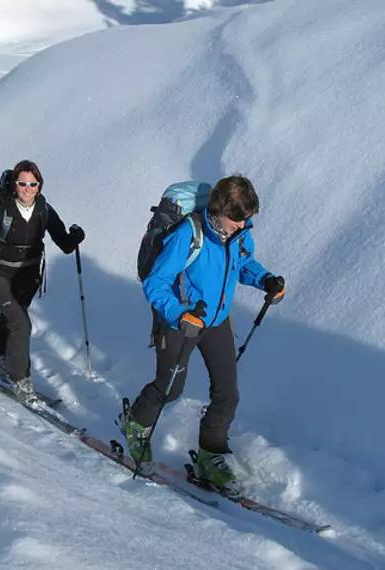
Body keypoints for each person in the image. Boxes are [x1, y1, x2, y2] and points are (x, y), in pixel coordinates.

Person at [119, 175, 285, 497]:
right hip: (181, 321)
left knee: (228, 393)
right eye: (237, 218)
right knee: (169, 388)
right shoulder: (189, 235)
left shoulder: (238, 234)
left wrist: (266, 280)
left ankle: (211, 455)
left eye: (247, 219)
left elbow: (243, 263)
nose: (243, 225)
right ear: (218, 210)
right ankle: (135, 423)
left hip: (217, 321)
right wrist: (180, 314)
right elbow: (156, 282)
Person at [0, 160, 85, 404]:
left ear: (39, 185)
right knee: (21, 323)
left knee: (13, 317)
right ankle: (21, 380)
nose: (27, 189)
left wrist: (75, 237)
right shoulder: (3, 208)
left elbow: (64, 243)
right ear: (14, 184)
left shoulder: (44, 209)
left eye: (33, 184)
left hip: (29, 275)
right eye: (22, 183)